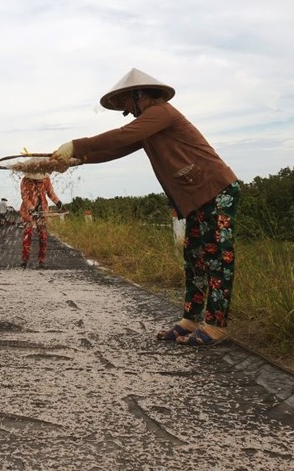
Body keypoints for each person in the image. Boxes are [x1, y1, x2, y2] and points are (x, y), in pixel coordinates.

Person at [52, 68, 240, 346]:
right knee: (195, 258)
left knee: (216, 258)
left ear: (139, 95)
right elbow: (117, 149)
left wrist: (75, 145)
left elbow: (119, 136)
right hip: (195, 196)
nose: (126, 111)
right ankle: (191, 318)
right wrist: (80, 159)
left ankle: (215, 325)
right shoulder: (148, 124)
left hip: (216, 190)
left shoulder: (161, 113)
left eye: (126, 104)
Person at [19, 173, 62, 269]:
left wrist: (58, 203)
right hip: (27, 212)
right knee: (27, 235)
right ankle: (25, 259)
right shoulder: (25, 180)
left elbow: (50, 193)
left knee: (43, 236)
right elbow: (25, 197)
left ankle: (41, 260)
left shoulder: (45, 178)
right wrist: (31, 208)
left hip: (42, 211)